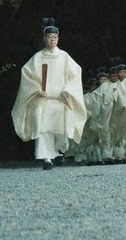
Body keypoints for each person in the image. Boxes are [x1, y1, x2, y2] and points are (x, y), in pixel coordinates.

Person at [10, 22, 87, 170]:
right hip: (43, 99)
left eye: (55, 37)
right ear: (44, 38)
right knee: (43, 128)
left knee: (60, 130)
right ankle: (46, 157)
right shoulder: (38, 57)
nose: (52, 40)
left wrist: (68, 90)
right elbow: (27, 75)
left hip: (60, 99)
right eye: (49, 37)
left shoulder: (64, 57)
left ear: (58, 39)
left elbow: (75, 74)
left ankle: (57, 152)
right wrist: (35, 89)